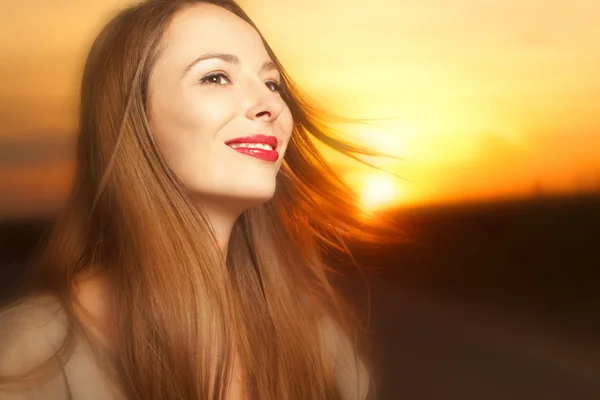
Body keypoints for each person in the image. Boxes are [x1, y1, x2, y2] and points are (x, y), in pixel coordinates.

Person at [0, 1, 396, 399]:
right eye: (216, 77)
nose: (272, 105)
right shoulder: (28, 361)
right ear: (137, 117)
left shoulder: (322, 348)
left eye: (272, 83)